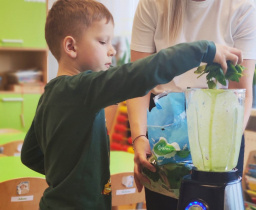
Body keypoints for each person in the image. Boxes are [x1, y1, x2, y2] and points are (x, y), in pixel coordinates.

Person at [20, 0, 242, 209]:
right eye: (102, 41)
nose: (112, 50)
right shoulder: (83, 89)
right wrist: (204, 50)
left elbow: (29, 154)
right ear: (71, 46)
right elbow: (141, 73)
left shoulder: (49, 95)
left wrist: (67, 176)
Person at [127, 0, 256, 209]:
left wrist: (219, 150)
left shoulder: (241, 8)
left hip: (221, 131)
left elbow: (240, 93)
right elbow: (139, 81)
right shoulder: (153, 4)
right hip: (165, 129)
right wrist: (139, 137)